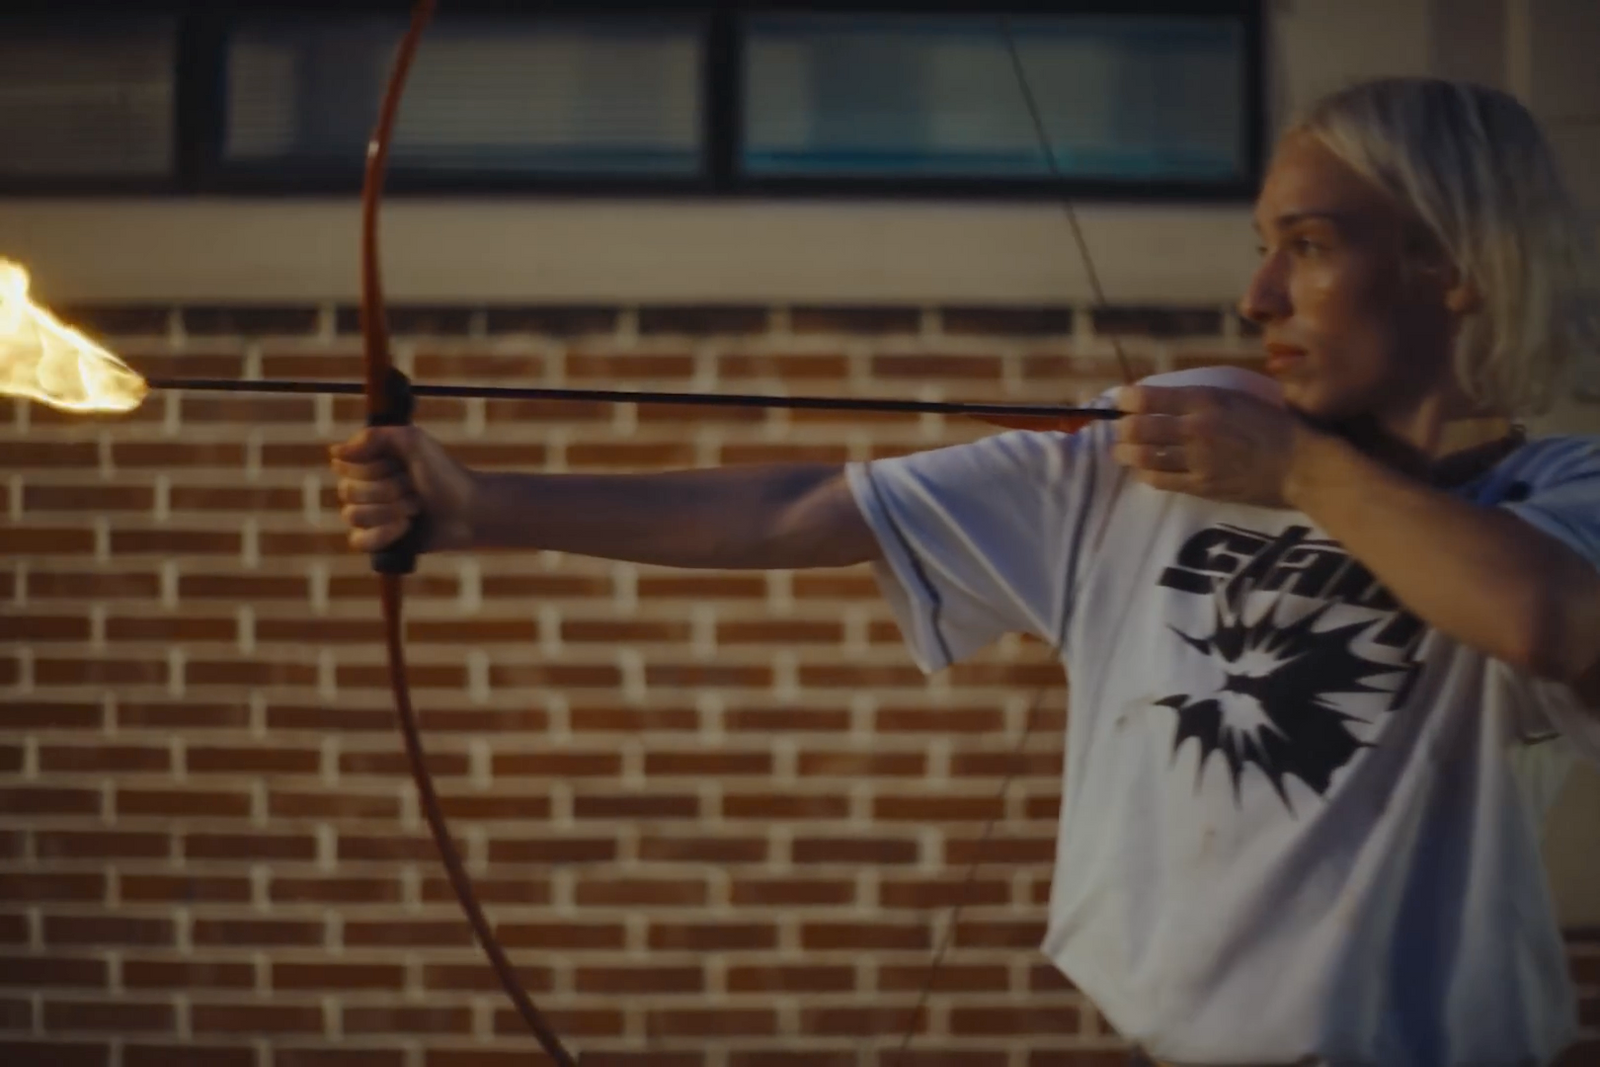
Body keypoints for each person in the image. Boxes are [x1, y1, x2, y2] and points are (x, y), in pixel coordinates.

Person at [330, 78, 1600, 1067]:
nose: (1256, 291)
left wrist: (1300, 475)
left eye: (1311, 245)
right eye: (1263, 243)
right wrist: (485, 504)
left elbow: (1549, 618)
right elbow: (805, 512)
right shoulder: (1168, 443)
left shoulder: (1555, 494)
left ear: (1451, 264)